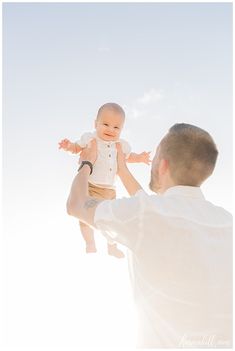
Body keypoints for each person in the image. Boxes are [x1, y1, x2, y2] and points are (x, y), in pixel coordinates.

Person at [66, 123, 232, 348]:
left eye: (154, 160)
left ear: (162, 165)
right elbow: (151, 209)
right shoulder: (227, 222)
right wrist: (122, 170)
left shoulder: (146, 215)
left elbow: (77, 205)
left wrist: (86, 162)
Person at [59, 102, 151, 258]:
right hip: (91, 186)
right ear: (95, 124)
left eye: (116, 127)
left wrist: (140, 158)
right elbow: (77, 148)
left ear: (121, 129)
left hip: (109, 189)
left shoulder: (121, 145)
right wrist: (68, 147)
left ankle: (112, 246)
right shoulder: (90, 138)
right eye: (106, 124)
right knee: (84, 216)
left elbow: (128, 158)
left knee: (110, 219)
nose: (110, 129)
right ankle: (90, 242)